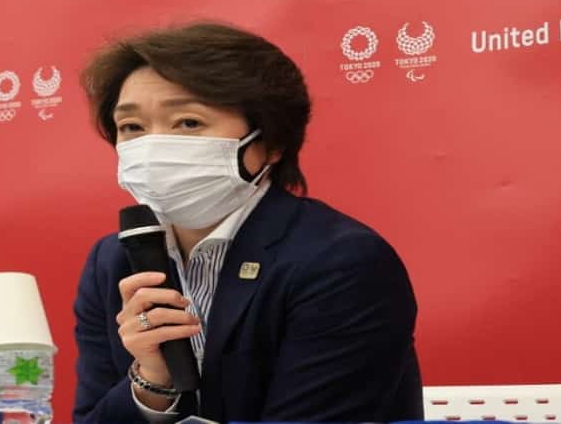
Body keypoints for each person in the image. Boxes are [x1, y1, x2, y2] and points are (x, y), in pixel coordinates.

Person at [72, 22, 422, 423]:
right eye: (132, 127)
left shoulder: (341, 261)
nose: (153, 146)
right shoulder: (114, 261)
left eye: (188, 122)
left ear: (270, 143)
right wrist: (150, 383)